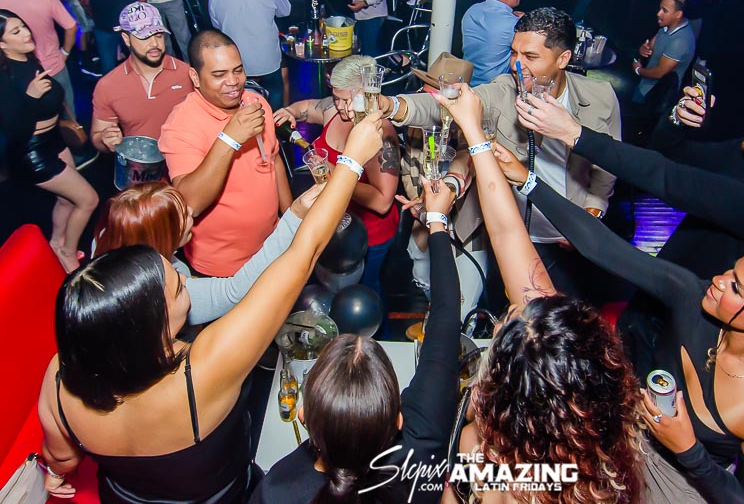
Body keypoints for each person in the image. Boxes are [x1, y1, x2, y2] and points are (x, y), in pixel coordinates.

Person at [490, 145, 744, 503]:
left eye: (736, 287)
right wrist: (528, 181)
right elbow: (605, 247)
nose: (718, 280)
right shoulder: (694, 299)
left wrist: (689, 450)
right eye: (732, 270)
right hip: (622, 438)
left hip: (680, 483)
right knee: (494, 463)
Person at [38, 116, 385, 502]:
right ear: (153, 327)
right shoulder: (205, 372)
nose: (185, 279)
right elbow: (303, 257)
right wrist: (351, 162)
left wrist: (53, 473)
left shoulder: (59, 376)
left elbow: (61, 457)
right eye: (178, 288)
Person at [514, 72, 744, 377]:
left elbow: (669, 178)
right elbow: (672, 154)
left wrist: (576, 134)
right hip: (652, 307)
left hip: (696, 349)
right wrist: (677, 119)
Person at [431, 83, 644, 503]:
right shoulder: (603, 439)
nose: (505, 319)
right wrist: (474, 133)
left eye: (502, 332)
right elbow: (509, 234)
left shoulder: (485, 465)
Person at [383, 7, 621, 299]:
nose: (517, 65)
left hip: (569, 240)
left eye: (530, 56)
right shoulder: (504, 91)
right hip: (513, 237)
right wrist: (392, 106)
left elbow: (607, 167)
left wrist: (590, 217)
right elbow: (446, 104)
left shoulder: (601, 98)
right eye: (513, 53)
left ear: (563, 59)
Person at [251, 179, 458, 503]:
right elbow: (446, 316)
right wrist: (437, 221)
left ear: (303, 415)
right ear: (398, 421)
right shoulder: (422, 447)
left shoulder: (275, 490)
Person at [158, 30, 292, 277]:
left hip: (272, 249)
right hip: (223, 269)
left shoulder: (255, 103)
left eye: (237, 70)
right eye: (219, 75)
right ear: (195, 77)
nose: (233, 82)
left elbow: (273, 161)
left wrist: (291, 222)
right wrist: (229, 139)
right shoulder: (181, 125)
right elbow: (191, 203)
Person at [94, 181, 323, 324]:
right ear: (161, 236)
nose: (191, 210)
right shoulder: (164, 292)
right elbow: (234, 292)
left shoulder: (113, 234)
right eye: (183, 215)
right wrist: (294, 216)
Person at [273, 55, 400, 299]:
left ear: (366, 94)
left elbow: (383, 201)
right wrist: (289, 111)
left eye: (346, 100)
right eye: (336, 98)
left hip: (368, 235)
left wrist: (335, 173)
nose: (340, 106)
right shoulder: (333, 110)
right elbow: (306, 107)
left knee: (364, 294)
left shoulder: (380, 133)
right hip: (333, 223)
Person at [0, 10, 98, 272]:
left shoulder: (28, 59)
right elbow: (14, 131)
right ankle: (67, 253)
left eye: (24, 26)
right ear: (2, 44)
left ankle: (56, 244)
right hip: (33, 152)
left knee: (66, 199)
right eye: (16, 31)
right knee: (88, 199)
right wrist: (30, 98)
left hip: (53, 139)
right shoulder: (4, 77)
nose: (26, 33)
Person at [394, 52, 481, 315]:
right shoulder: (417, 125)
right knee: (426, 281)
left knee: (461, 307)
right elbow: (409, 167)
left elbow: (467, 168)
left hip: (466, 232)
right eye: (424, 91)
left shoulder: (474, 129)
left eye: (433, 93)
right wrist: (422, 205)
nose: (425, 98)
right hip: (424, 224)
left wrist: (442, 203)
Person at [90, 2, 192, 153]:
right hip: (142, 165)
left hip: (188, 159)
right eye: (144, 37)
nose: (154, 43)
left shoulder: (187, 74)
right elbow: (97, 137)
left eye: (158, 35)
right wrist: (105, 140)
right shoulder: (108, 85)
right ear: (126, 39)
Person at [209, 0, 291, 109]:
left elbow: (216, 25)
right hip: (268, 63)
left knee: (242, 107)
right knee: (274, 98)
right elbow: (286, 9)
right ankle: (275, 120)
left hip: (237, 64)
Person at [0, 0, 77, 109]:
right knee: (68, 113)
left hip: (13, 73)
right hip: (52, 65)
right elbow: (71, 26)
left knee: (27, 116)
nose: (27, 33)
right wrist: (64, 53)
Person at [461, 0, 526, 86]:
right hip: (494, 88)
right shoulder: (512, 23)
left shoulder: (472, 11)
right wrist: (525, 19)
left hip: (468, 82)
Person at [632, 0, 695, 107]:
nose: (658, 13)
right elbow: (651, 47)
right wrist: (643, 49)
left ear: (678, 14)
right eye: (660, 8)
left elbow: (659, 73)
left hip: (655, 96)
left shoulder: (680, 42)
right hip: (645, 86)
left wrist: (638, 70)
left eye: (664, 10)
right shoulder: (667, 25)